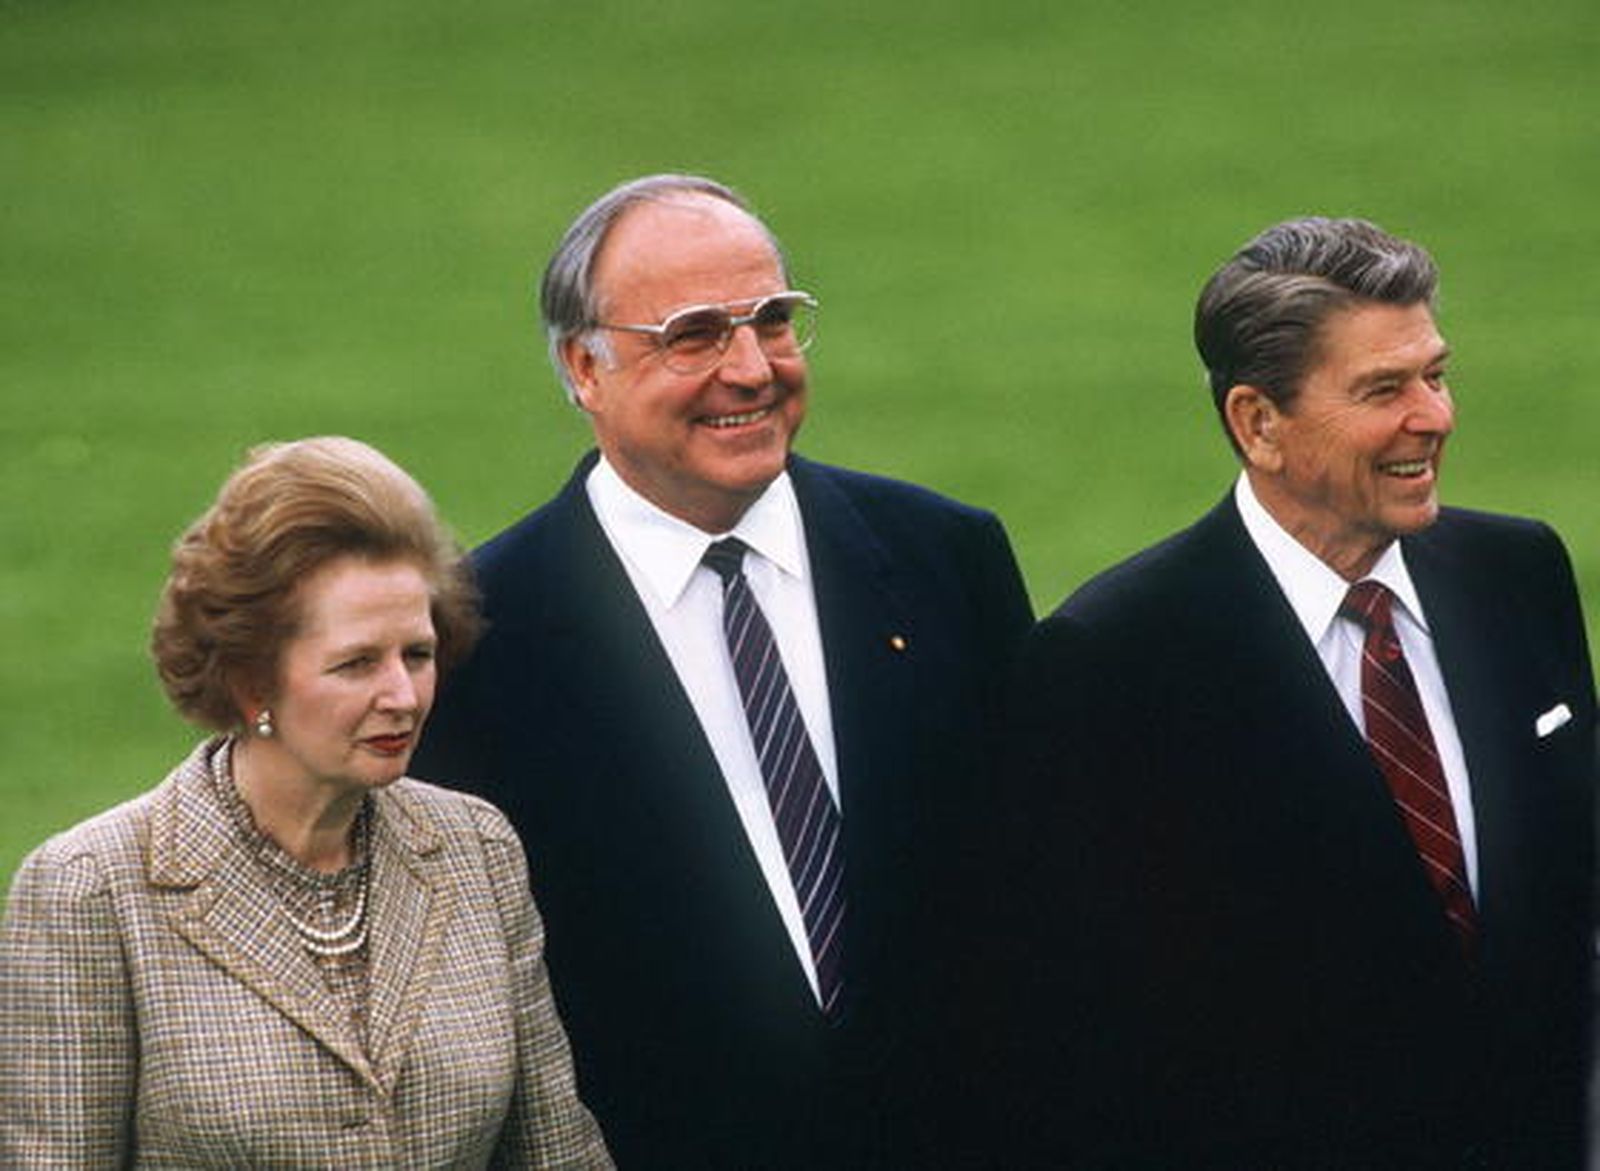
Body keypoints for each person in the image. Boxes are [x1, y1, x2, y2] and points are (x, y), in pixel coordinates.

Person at [411, 173, 1033, 1168]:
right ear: (584, 366)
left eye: (773, 321)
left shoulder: (942, 558)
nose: (751, 368)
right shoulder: (477, 636)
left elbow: (1039, 892)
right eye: (695, 334)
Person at [1005, 218, 1596, 1168]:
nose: (1434, 416)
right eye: (1383, 389)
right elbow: (1095, 1046)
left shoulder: (1515, 572)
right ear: (1257, 422)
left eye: (1435, 374)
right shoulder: (1116, 658)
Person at [0, 437, 612, 1168]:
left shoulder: (477, 848)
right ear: (251, 681)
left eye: (416, 654)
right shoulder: (89, 890)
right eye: (357, 663)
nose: (403, 696)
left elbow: (555, 1152)